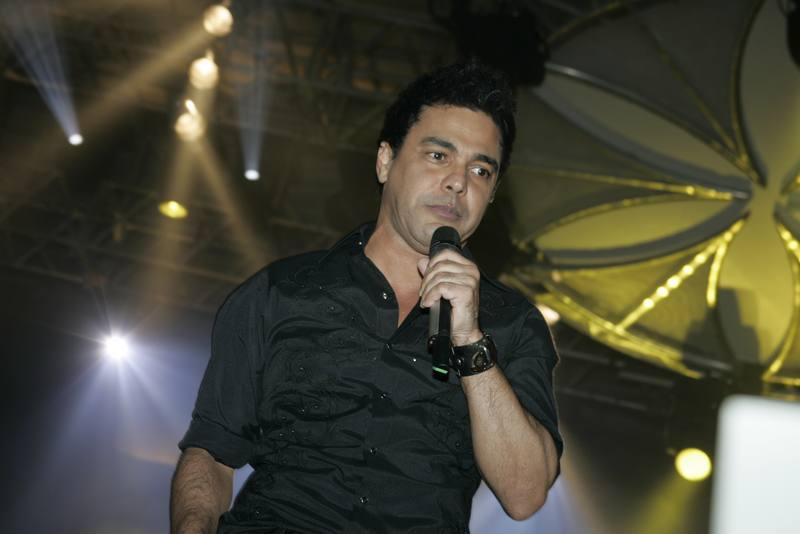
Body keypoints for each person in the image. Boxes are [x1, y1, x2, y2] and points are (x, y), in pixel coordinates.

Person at [170, 61, 562, 534]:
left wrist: (470, 342)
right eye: (438, 155)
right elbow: (212, 452)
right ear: (385, 161)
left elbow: (524, 494)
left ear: (492, 192)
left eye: (480, 170)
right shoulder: (280, 293)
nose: (458, 182)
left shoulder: (513, 325)